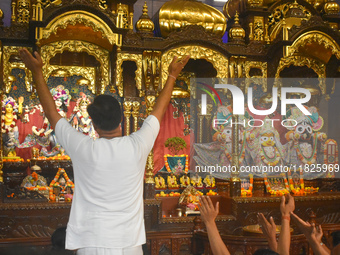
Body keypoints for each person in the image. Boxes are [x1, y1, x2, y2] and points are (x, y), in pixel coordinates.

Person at [19, 48, 190, 255]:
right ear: (121, 120)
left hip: (91, 243)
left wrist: (37, 71)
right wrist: (172, 74)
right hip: (129, 244)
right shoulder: (137, 145)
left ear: (93, 124)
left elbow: (52, 114)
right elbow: (159, 111)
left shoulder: (82, 147)